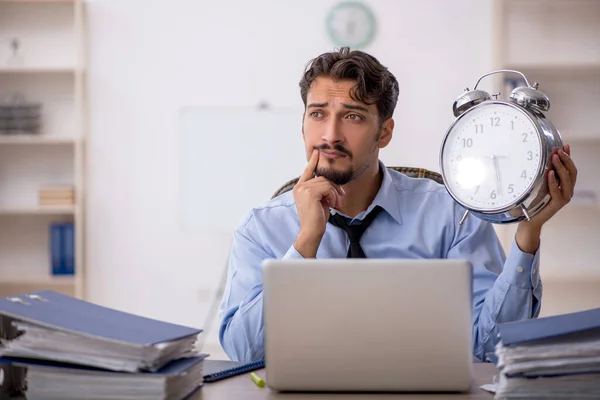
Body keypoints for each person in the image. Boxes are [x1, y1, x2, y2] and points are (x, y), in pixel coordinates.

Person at [218, 47, 578, 363]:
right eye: (317, 114)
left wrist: (527, 234)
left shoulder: (451, 216)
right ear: (303, 126)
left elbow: (490, 347)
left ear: (385, 132)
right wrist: (306, 241)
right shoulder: (261, 227)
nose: (330, 135)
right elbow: (245, 352)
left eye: (353, 116)